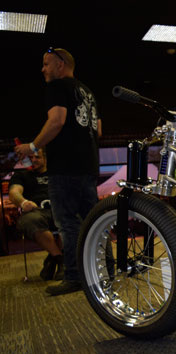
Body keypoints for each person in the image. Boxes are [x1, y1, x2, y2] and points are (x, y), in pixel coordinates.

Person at [15, 47, 100, 296]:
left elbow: (57, 121)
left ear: (60, 64)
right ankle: (104, 269)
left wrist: (32, 147)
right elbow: (98, 130)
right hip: (88, 166)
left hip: (64, 168)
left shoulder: (57, 87)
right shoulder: (87, 92)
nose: (43, 69)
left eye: (46, 64)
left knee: (68, 224)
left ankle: (74, 276)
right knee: (93, 221)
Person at [9, 148, 64, 280]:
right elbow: (14, 192)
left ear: (45, 159)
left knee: (70, 219)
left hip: (60, 210)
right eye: (30, 158)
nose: (33, 160)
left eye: (37, 157)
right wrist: (23, 202)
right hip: (37, 212)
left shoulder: (57, 174)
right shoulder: (21, 175)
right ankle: (61, 260)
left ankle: (53, 259)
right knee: (29, 221)